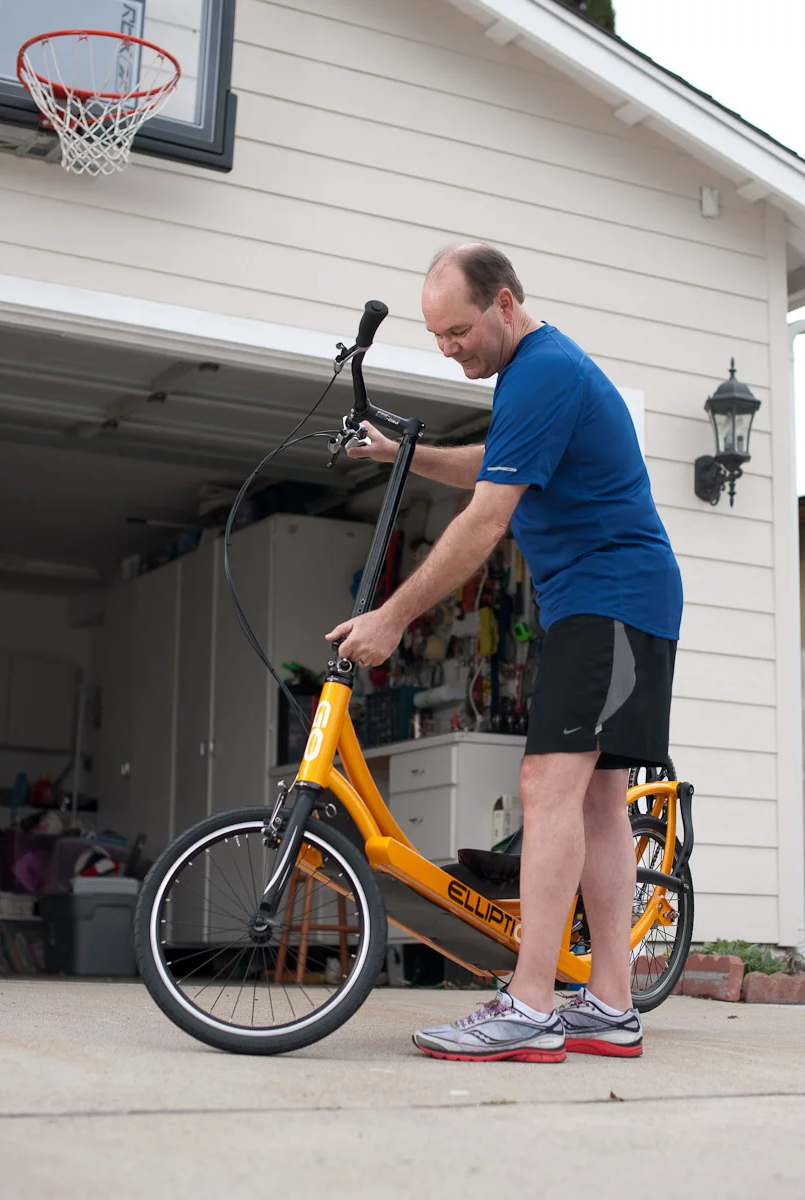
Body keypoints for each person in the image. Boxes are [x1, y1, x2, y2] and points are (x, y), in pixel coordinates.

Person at [326, 243, 682, 1062]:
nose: (449, 347)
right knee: (595, 800)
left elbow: (487, 520)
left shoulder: (543, 371)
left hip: (611, 600)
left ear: (506, 305)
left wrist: (391, 616)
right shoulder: (537, 378)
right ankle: (610, 1006)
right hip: (606, 604)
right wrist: (400, 452)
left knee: (547, 784)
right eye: (437, 335)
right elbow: (492, 464)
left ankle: (529, 1003)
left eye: (458, 330)